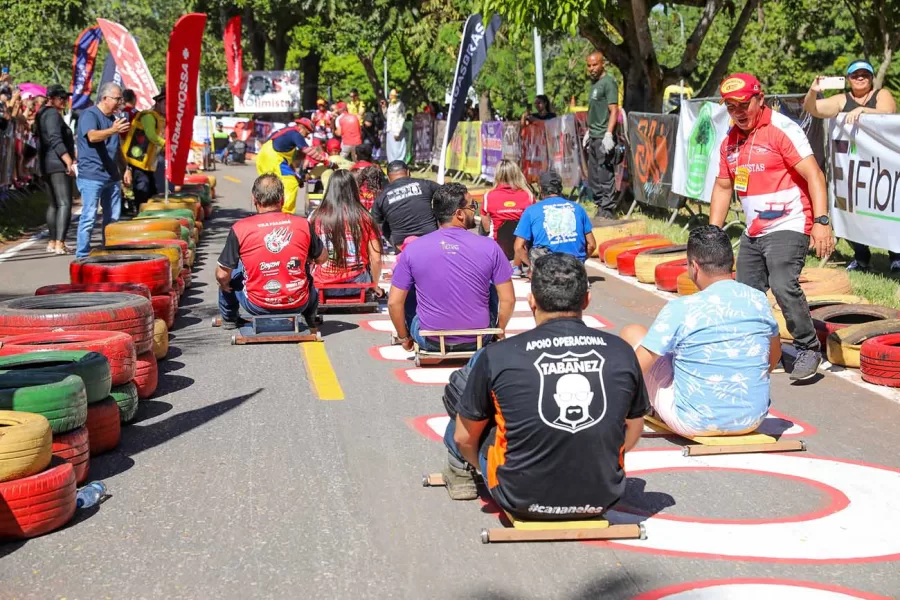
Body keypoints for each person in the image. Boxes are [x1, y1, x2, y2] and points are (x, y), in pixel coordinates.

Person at [439, 252, 648, 505]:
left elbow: (464, 438)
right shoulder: (622, 352)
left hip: (517, 496)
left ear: (531, 301)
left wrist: (486, 469)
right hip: (603, 495)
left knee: (470, 394)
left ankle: (460, 468)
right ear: (586, 300)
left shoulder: (498, 355)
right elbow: (634, 429)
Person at [710, 73, 834, 381]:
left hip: (790, 221)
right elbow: (724, 187)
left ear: (759, 99)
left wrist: (821, 222)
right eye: (730, 106)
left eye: (742, 105)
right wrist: (712, 233)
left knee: (781, 282)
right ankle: (762, 349)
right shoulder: (731, 141)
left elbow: (815, 175)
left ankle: (808, 347)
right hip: (755, 229)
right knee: (746, 294)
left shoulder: (782, 129)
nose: (737, 112)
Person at [620, 226, 781, 437]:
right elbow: (774, 354)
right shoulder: (758, 299)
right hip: (752, 418)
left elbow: (637, 368)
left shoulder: (681, 307)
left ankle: (650, 406)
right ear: (731, 261)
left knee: (633, 334)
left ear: (694, 267)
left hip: (695, 421)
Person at [387, 183, 515, 352]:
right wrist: (498, 332)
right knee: (491, 285)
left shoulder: (413, 249)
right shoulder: (490, 247)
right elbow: (508, 299)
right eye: (472, 206)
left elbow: (394, 302)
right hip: (479, 337)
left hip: (429, 338)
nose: (474, 211)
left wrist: (404, 337)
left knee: (409, 286)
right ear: (459, 214)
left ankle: (411, 335)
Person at [803, 59, 899, 273]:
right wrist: (812, 91)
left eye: (865, 74)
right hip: (852, 170)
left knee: (888, 208)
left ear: (872, 78)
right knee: (850, 213)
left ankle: (896, 256)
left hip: (883, 168)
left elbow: (888, 112)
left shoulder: (881, 94)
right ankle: (862, 257)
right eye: (855, 75)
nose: (860, 78)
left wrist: (864, 111)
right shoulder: (841, 99)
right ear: (848, 79)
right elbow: (814, 109)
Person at [216, 174, 327, 330]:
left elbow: (222, 275)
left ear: (254, 199)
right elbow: (322, 258)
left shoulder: (240, 228)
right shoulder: (302, 224)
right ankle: (310, 314)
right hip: (298, 304)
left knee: (231, 269)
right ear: (282, 199)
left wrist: (225, 284)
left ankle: (229, 318)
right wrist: (306, 257)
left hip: (257, 306)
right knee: (305, 268)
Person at [74, 82, 130, 259]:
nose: (120, 102)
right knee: (89, 216)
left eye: (121, 99)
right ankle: (82, 254)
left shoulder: (113, 119)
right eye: (117, 99)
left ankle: (109, 249)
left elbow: (117, 148)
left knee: (113, 218)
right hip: (92, 175)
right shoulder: (90, 115)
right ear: (105, 98)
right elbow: (92, 136)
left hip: (112, 175)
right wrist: (113, 130)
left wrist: (126, 167)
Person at [310, 170, 385, 298]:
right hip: (357, 284)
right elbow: (376, 259)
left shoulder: (316, 217)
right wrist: (374, 285)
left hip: (322, 285)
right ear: (354, 189)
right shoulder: (364, 217)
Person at [514, 171, 596, 270]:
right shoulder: (578, 208)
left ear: (540, 189)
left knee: (531, 244)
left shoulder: (531, 210)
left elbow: (518, 247)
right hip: (575, 270)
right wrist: (580, 263)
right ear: (560, 189)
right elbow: (592, 244)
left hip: (547, 271)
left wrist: (533, 268)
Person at [256, 117, 326, 215]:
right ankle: (285, 214)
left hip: (263, 158)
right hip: (274, 159)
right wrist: (325, 161)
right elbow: (307, 150)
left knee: (269, 185)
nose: (306, 136)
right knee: (291, 183)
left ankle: (265, 211)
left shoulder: (286, 132)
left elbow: (288, 163)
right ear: (302, 128)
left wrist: (295, 175)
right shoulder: (295, 134)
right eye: (307, 133)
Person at [36, 84, 75, 255]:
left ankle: (52, 241)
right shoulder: (52, 114)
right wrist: (67, 160)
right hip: (56, 163)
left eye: (66, 98)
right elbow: (54, 138)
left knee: (54, 204)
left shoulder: (42, 113)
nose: (64, 101)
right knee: (65, 203)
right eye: (61, 98)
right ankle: (60, 242)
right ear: (51, 99)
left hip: (46, 163)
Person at [371, 160, 440, 249]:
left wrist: (392, 240)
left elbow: (374, 222)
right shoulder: (425, 184)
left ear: (388, 178)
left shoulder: (381, 197)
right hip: (431, 238)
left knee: (382, 220)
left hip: (402, 246)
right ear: (408, 172)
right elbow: (449, 193)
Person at [585, 51, 620, 219]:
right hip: (593, 135)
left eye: (594, 64)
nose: (591, 68)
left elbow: (614, 110)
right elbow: (595, 112)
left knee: (605, 173)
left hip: (602, 136)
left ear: (602, 64)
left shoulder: (608, 83)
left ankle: (608, 209)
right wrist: (588, 131)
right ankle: (600, 206)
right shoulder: (594, 84)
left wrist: (608, 134)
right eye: (589, 65)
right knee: (594, 176)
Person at [124, 88, 166, 210]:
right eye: (165, 104)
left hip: (148, 162)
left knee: (152, 190)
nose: (167, 107)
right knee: (143, 189)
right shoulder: (148, 116)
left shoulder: (160, 118)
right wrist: (166, 144)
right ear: (158, 103)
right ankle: (140, 216)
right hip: (138, 160)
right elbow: (151, 136)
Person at [480, 159, 534, 240]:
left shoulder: (488, 196)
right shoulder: (528, 196)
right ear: (517, 174)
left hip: (497, 244)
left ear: (497, 175)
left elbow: (486, 227)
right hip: (522, 244)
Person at [385, 89, 407, 162]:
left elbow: (401, 119)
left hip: (396, 131)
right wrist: (384, 108)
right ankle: (392, 165)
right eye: (390, 95)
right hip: (390, 130)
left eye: (391, 95)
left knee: (398, 150)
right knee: (391, 151)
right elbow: (388, 117)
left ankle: (399, 166)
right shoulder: (391, 104)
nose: (390, 97)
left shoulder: (400, 105)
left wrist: (397, 132)